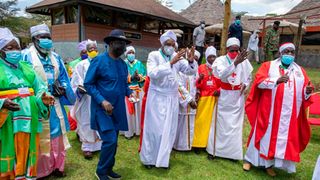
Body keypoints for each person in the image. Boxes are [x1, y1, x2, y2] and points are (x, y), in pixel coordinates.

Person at [244, 42, 314, 176]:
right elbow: (259, 82)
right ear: (280, 53)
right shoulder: (268, 66)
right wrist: (276, 80)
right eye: (286, 51)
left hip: (287, 114)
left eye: (292, 52)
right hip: (269, 110)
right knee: (263, 136)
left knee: (279, 140)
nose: (289, 54)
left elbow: (305, 91)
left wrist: (307, 91)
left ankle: (269, 165)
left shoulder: (300, 71)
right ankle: (249, 160)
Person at [22, 24, 76, 178]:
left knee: (58, 136)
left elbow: (64, 78)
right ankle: (40, 170)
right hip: (37, 105)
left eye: (48, 37)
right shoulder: (25, 56)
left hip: (56, 103)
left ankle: (58, 167)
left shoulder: (56, 57)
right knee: (39, 136)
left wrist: (63, 87)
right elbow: (23, 80)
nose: (46, 40)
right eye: (42, 37)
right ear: (34, 40)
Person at [0, 27, 54, 179]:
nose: (15, 51)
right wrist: (2, 103)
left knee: (28, 154)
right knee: (8, 156)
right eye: (9, 48)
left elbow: (39, 88)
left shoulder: (27, 68)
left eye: (17, 47)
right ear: (1, 51)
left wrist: (43, 98)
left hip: (29, 123)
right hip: (7, 124)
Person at [140, 30, 198, 169]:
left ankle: (163, 160)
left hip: (171, 98)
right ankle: (149, 159)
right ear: (162, 44)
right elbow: (152, 74)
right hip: (157, 98)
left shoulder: (177, 56)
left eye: (172, 44)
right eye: (168, 44)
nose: (170, 47)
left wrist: (190, 61)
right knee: (155, 130)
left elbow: (190, 71)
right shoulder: (153, 55)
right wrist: (170, 64)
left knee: (169, 130)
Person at [84, 29, 134, 180]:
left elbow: (123, 84)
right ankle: (101, 171)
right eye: (120, 43)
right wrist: (102, 100)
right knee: (110, 140)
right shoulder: (98, 61)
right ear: (111, 43)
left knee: (114, 141)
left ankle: (109, 168)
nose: (123, 47)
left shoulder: (123, 64)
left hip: (118, 109)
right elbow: (88, 84)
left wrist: (130, 93)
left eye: (124, 44)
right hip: (102, 110)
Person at [212, 37, 253, 161]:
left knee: (235, 126)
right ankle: (215, 151)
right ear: (227, 49)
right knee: (221, 124)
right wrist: (235, 63)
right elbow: (221, 75)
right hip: (224, 95)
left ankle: (232, 154)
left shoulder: (244, 62)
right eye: (232, 50)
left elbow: (249, 77)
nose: (234, 53)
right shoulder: (220, 60)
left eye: (237, 50)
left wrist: (245, 86)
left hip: (237, 97)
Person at [71, 39, 102, 159]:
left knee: (100, 120)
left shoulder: (101, 63)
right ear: (87, 52)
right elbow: (75, 83)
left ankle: (100, 144)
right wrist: (79, 89)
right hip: (86, 99)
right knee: (86, 121)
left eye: (95, 49)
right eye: (90, 49)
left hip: (99, 98)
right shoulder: (81, 65)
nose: (93, 51)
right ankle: (87, 147)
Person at [192, 46, 220, 155]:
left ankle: (207, 144)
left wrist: (219, 90)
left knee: (211, 123)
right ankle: (197, 144)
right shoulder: (201, 67)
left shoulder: (218, 68)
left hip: (214, 98)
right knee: (200, 121)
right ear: (206, 57)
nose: (212, 59)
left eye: (214, 57)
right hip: (204, 97)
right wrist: (200, 79)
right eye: (210, 57)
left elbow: (222, 82)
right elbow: (196, 84)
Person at [173, 50, 199, 151]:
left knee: (190, 123)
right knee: (180, 123)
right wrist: (188, 99)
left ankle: (187, 145)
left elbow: (196, 84)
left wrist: (197, 93)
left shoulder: (195, 71)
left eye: (196, 59)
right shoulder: (180, 70)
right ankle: (177, 145)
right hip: (182, 100)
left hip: (192, 100)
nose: (193, 61)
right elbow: (178, 86)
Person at [122, 46, 146, 139]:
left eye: (133, 52)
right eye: (129, 52)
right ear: (126, 54)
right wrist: (131, 78)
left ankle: (138, 130)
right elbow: (121, 78)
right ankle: (129, 132)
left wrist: (138, 77)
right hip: (128, 92)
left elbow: (145, 76)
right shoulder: (123, 64)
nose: (131, 54)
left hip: (138, 91)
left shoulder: (139, 63)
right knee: (129, 113)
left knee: (138, 111)